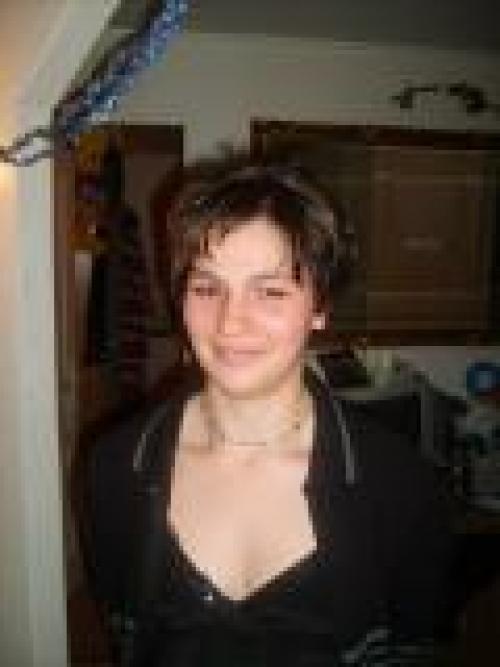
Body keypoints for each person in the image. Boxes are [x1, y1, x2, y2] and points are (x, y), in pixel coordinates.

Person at [85, 154, 452, 666]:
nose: (231, 323)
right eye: (207, 287)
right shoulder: (115, 466)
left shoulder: (400, 483)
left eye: (270, 291)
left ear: (320, 306)